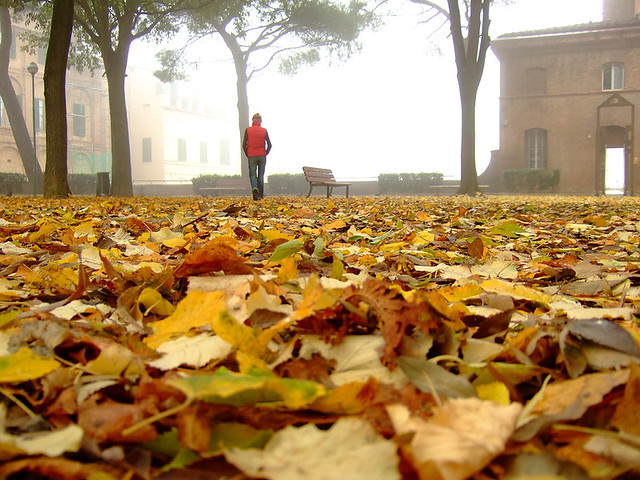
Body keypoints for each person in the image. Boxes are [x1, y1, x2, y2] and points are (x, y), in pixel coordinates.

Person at [242, 113, 272, 200]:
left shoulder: (248, 130)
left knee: (252, 174)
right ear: (260, 121)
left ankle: (255, 188)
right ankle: (261, 195)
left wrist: (248, 154)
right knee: (261, 175)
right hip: (262, 155)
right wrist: (265, 152)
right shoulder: (264, 131)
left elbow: (244, 145)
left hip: (252, 155)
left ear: (253, 120)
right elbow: (269, 145)